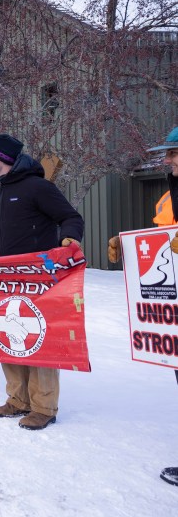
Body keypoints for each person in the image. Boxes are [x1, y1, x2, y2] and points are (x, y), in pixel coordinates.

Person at [0, 133, 84, 430]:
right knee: (7, 335)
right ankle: (18, 400)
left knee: (38, 339)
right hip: (5, 279)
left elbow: (71, 217)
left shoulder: (38, 187)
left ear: (3, 159)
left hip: (39, 280)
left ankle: (44, 406)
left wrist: (68, 241)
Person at [108, 126, 178, 486]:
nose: (166, 160)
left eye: (174, 153)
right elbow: (159, 238)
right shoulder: (168, 195)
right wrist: (128, 244)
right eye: (167, 153)